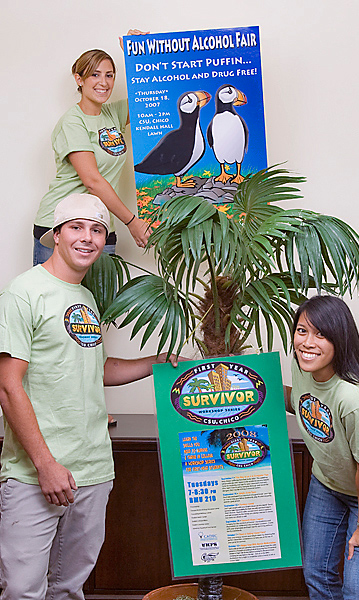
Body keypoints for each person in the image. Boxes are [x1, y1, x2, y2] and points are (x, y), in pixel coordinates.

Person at [0, 193, 176, 600]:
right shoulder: (22, 294)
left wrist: (157, 361)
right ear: (56, 235)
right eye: (76, 227)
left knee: (68, 588)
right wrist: (46, 465)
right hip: (36, 473)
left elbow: (95, 369)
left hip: (93, 470)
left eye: (97, 229)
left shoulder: (85, 298)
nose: (88, 238)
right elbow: (9, 388)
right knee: (24, 591)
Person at [284, 295, 359, 600]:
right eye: (302, 330)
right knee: (316, 574)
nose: (307, 342)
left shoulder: (354, 400)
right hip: (328, 485)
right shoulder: (302, 368)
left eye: (321, 334)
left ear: (340, 339)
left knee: (358, 591)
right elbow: (301, 401)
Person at [33, 30, 150, 267]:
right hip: (61, 226)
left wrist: (139, 53)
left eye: (110, 75)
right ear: (79, 79)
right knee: (55, 302)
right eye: (95, 75)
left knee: (101, 304)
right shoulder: (72, 122)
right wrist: (132, 222)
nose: (104, 82)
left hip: (101, 224)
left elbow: (151, 97)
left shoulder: (113, 113)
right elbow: (92, 181)